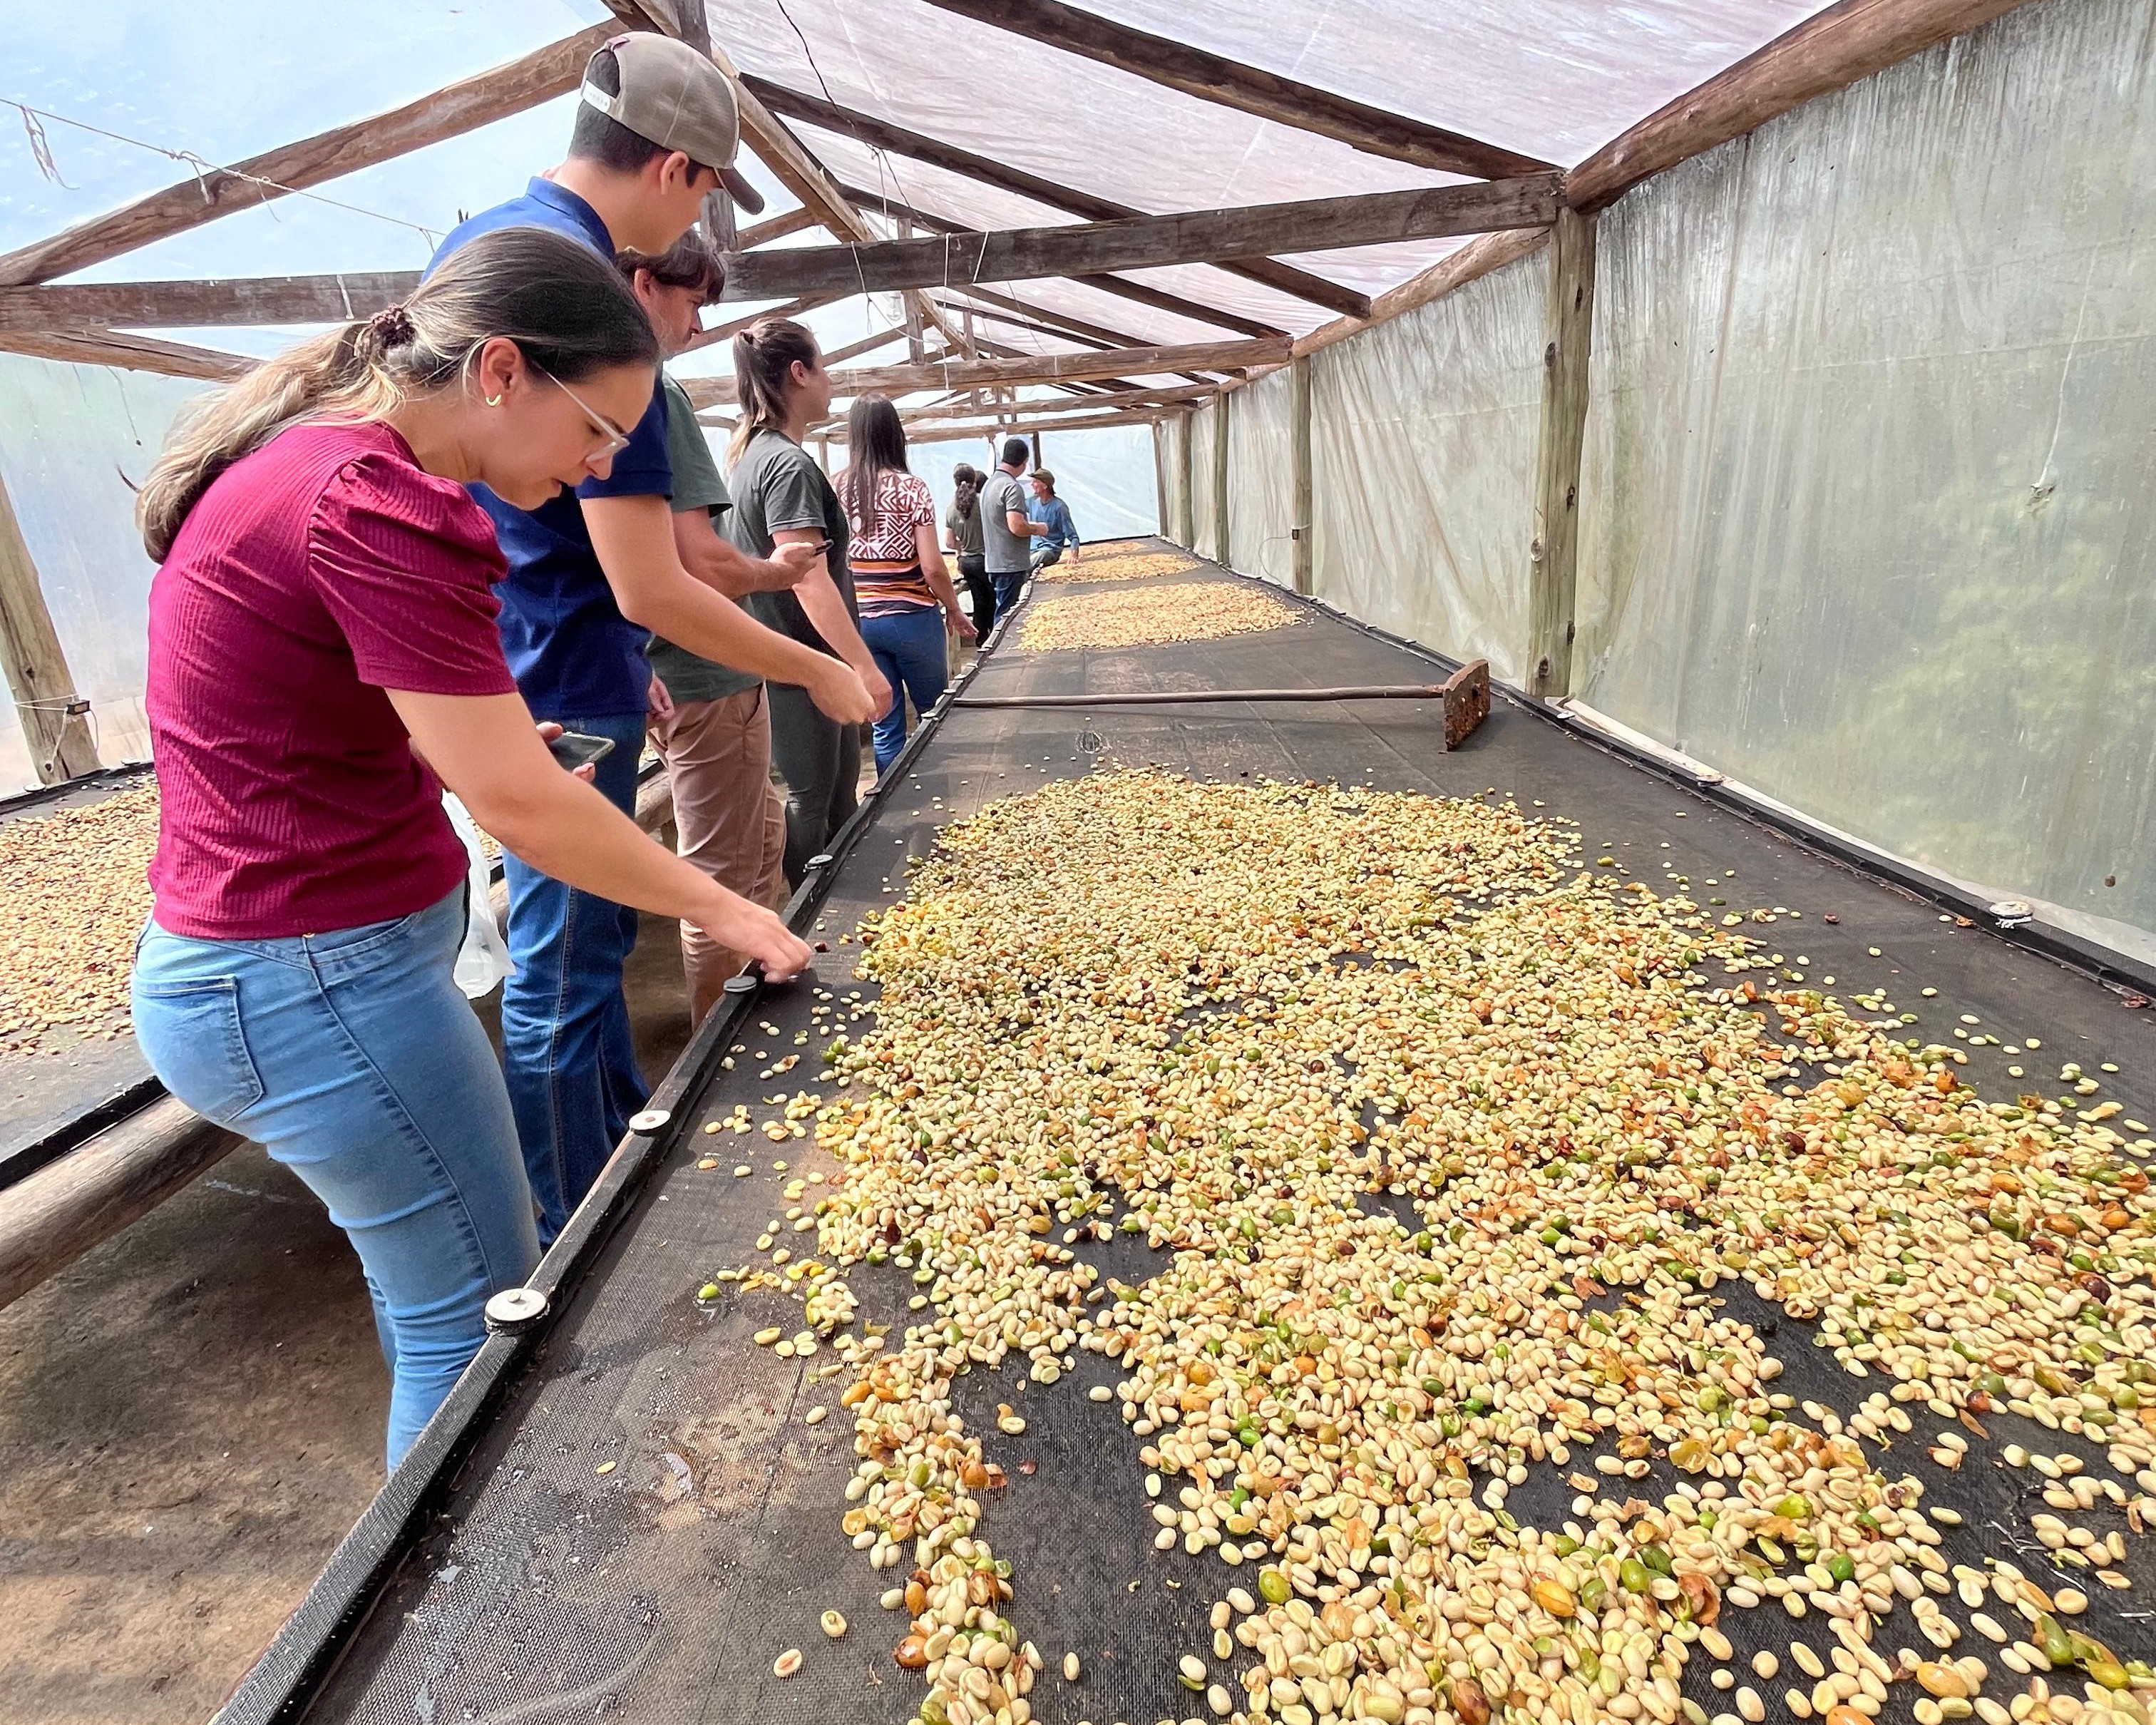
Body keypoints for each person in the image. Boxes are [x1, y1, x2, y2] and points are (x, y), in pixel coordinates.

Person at [128, 231, 813, 1469]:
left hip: (268, 968)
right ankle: (452, 1628)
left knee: (432, 1296)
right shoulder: (378, 500)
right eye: (598, 429)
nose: (602, 465)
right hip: (312, 982)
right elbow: (524, 808)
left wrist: (493, 740)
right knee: (477, 1321)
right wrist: (734, 909)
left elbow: (317, 717)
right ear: (500, 371)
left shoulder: (315, 463)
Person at [426, 33, 879, 1240]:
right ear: (676, 172)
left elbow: (586, 557)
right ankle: (578, 1232)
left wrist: (627, 664)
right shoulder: (580, 295)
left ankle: (613, 1174)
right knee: (565, 978)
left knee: (577, 958)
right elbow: (648, 580)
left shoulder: (491, 241)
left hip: (551, 663)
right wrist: (818, 664)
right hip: (557, 677)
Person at [615, 234, 825, 1026]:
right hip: (704, 678)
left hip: (683, 678)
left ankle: (746, 996)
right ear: (644, 288)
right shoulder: (652, 394)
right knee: (720, 876)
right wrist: (781, 575)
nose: (698, 326)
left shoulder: (692, 420)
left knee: (756, 839)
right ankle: (719, 1039)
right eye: (695, 302)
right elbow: (696, 562)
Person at [726, 319, 892, 884]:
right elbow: (807, 579)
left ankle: (848, 897)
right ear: (798, 373)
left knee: (835, 794)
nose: (829, 380)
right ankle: (811, 914)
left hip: (795, 661)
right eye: (822, 367)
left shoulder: (755, 457)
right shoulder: (787, 465)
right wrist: (863, 666)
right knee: (813, 798)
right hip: (802, 665)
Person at [839, 396, 976, 777]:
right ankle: (937, 792)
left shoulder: (835, 486)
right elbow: (932, 567)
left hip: (860, 623)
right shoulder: (911, 488)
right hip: (912, 617)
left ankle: (893, 805)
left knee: (885, 722)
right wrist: (953, 607)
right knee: (934, 714)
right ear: (895, 434)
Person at [977, 436, 1047, 621]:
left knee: (1002, 609)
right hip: (1010, 564)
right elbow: (1016, 526)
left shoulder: (989, 485)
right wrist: (1037, 529)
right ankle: (997, 651)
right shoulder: (1011, 486)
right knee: (1006, 616)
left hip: (994, 561)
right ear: (1024, 463)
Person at [944, 462, 995, 635]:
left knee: (979, 600)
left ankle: (981, 637)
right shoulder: (983, 503)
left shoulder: (950, 508)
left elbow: (949, 542)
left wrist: (964, 545)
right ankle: (994, 634)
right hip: (985, 559)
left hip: (966, 561)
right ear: (975, 479)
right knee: (993, 598)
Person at [1026, 469, 1082, 571]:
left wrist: (1074, 555)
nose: (1032, 485)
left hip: (1050, 550)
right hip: (1032, 548)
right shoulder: (1031, 502)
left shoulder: (1059, 507)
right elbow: (1015, 508)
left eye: (1036, 482)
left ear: (1045, 486)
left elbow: (1073, 536)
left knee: (1032, 562)